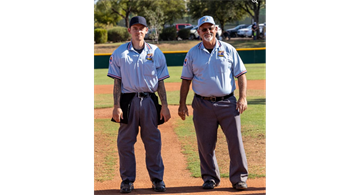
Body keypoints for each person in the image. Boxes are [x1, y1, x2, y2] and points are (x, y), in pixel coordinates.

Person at [178, 15, 249, 191]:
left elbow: (241, 75)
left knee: (235, 142)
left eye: (211, 28)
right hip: (202, 104)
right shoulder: (192, 53)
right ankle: (210, 177)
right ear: (199, 32)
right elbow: (186, 80)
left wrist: (242, 97)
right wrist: (182, 104)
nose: (208, 31)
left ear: (216, 29)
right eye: (204, 29)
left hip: (228, 103)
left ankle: (239, 178)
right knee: (205, 144)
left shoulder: (229, 49)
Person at [107, 16, 171, 193]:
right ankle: (127, 180)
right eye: (135, 28)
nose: (138, 31)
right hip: (128, 101)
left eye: (142, 28)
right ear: (129, 31)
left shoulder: (155, 52)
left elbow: (161, 82)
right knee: (125, 143)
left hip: (150, 100)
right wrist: (116, 105)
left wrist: (164, 105)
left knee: (153, 142)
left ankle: (157, 179)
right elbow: (117, 83)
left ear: (146, 30)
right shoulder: (120, 53)